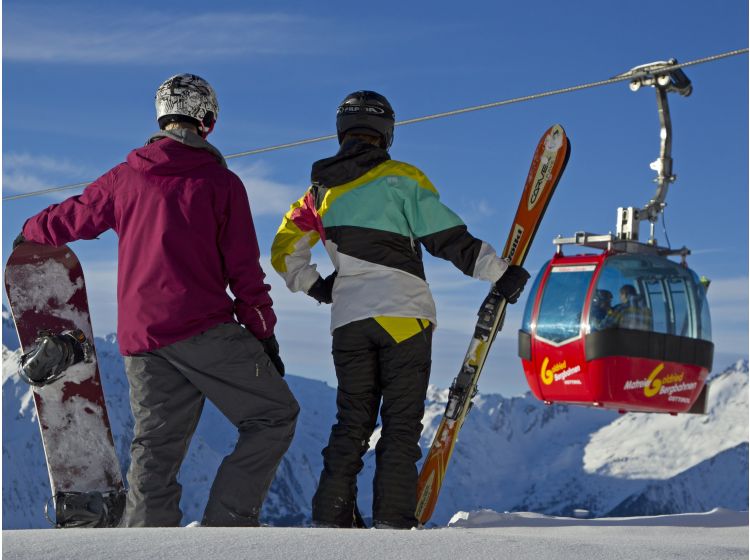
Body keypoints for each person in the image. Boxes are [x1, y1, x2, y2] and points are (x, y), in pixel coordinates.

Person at [15, 73, 299, 527]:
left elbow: (77, 215)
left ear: (162, 117)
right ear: (207, 121)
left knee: (156, 449)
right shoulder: (221, 184)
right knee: (275, 415)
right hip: (204, 328)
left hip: (142, 338)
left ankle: (145, 545)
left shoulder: (126, 178)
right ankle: (228, 530)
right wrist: (263, 333)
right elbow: (244, 271)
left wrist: (30, 232)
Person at [270, 90, 530, 529]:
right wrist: (499, 273)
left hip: (349, 322)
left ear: (342, 131)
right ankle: (393, 524)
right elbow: (446, 236)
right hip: (404, 320)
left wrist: (318, 287)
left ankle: (330, 520)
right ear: (386, 133)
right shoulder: (401, 178)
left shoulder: (317, 194)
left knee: (351, 423)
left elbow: (283, 251)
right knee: (400, 425)